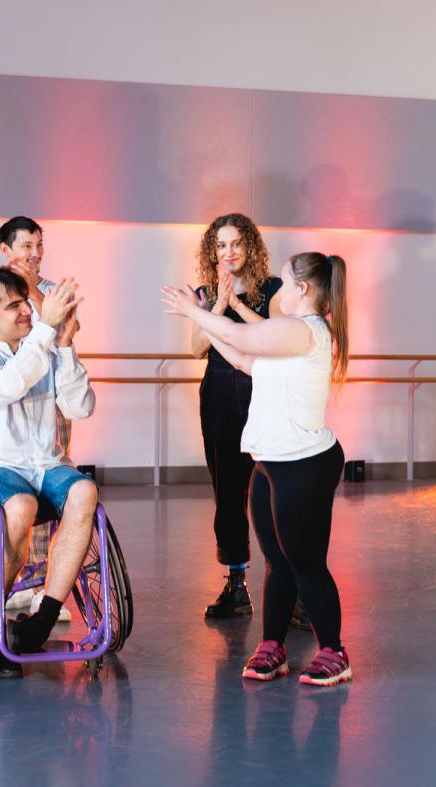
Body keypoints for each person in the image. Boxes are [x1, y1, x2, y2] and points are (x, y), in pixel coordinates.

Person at [162, 252, 353, 686]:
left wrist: (195, 309)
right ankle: (273, 646)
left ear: (302, 289)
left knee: (306, 563)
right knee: (278, 563)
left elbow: (242, 335)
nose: (279, 292)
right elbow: (246, 359)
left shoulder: (305, 330)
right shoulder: (290, 335)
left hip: (303, 464)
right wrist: (217, 320)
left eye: (284, 284)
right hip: (271, 464)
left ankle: (334, 652)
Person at [0, 267, 95, 678]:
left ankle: (42, 620)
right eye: (13, 305)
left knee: (85, 492)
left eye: (25, 302)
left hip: (44, 464)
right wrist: (47, 330)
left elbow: (80, 408)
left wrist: (64, 347)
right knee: (20, 503)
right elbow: (7, 386)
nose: (27, 311)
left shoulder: (45, 348)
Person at [187, 214, 286, 621]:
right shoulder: (205, 292)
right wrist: (218, 305)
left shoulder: (274, 290)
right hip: (219, 394)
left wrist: (239, 305)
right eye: (221, 245)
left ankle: (292, 587)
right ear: (213, 250)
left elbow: (277, 338)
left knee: (277, 489)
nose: (229, 253)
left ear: (251, 248)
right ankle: (236, 583)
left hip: (263, 391)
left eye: (236, 244)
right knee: (227, 492)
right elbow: (196, 348)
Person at [0, 216, 71, 622]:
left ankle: (44, 586)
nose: (35, 254)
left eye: (39, 245)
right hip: (8, 401)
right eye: (27, 246)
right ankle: (13, 579)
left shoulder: (50, 290)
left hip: (50, 399)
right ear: (6, 250)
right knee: (12, 494)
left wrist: (38, 295)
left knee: (50, 488)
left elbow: (65, 332)